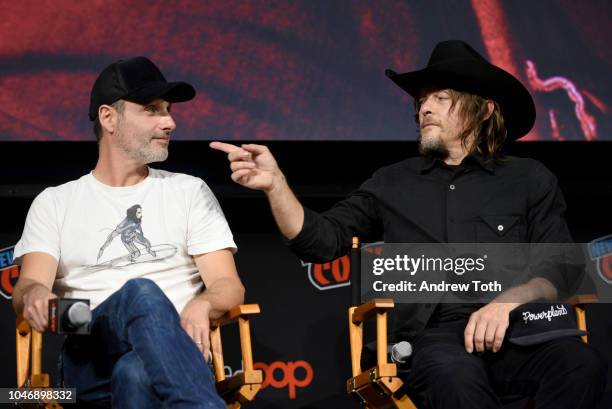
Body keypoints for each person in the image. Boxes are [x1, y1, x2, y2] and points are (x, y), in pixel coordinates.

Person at [211, 40, 607, 408]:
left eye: (441, 98)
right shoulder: (392, 182)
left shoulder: (529, 178)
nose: (424, 109)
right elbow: (321, 241)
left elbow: (560, 265)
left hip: (520, 326)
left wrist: (506, 302)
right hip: (437, 338)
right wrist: (276, 186)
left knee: (580, 365)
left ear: (484, 109)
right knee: (454, 379)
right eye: (421, 101)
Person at [13, 56, 244, 409]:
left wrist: (205, 302)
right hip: (90, 350)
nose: (169, 122)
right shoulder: (55, 202)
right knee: (142, 292)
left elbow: (228, 286)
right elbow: (29, 286)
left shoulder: (189, 191)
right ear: (108, 118)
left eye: (168, 110)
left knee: (135, 373)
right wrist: (33, 295)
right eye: (152, 110)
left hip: (176, 353)